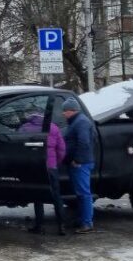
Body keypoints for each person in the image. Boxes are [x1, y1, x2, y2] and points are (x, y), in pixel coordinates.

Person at [19, 109, 67, 235]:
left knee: (37, 196)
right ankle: (61, 226)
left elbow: (18, 149)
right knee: (57, 196)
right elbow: (61, 149)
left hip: (35, 167)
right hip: (51, 167)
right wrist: (56, 162)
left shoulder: (25, 128)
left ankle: (40, 226)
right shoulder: (54, 127)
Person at [62, 98, 96, 234]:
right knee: (80, 193)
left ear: (72, 110)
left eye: (65, 111)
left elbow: (84, 142)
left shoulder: (80, 122)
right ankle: (83, 219)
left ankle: (87, 222)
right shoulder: (77, 121)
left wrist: (77, 159)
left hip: (80, 164)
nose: (63, 114)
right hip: (79, 163)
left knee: (83, 193)